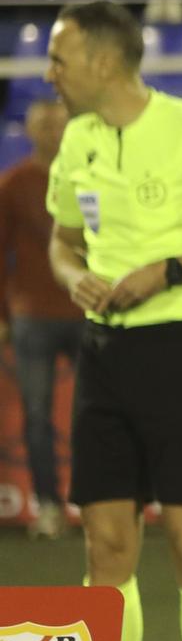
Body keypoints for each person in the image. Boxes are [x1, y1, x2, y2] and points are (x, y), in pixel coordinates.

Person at [41, 0, 182, 641]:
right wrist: (74, 278)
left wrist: (169, 271)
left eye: (59, 59)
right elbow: (63, 242)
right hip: (105, 355)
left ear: (102, 61)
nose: (48, 74)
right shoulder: (77, 141)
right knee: (104, 543)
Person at [0, 98, 82, 539]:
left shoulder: (89, 182)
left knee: (97, 415)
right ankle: (49, 506)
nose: (51, 131)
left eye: (58, 124)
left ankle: (95, 506)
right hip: (32, 316)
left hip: (87, 310)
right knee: (36, 416)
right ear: (30, 131)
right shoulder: (13, 185)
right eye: (43, 124)